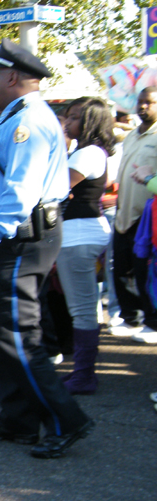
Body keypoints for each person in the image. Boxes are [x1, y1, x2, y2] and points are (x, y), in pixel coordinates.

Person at [0, 38, 94, 459]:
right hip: (16, 236)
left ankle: (65, 420)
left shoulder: (28, 122)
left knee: (19, 335)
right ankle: (17, 420)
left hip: (20, 236)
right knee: (5, 333)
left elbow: (20, 192)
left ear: (13, 77)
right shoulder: (19, 116)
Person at [56, 98, 116, 393]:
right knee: (81, 307)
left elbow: (56, 187)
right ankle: (81, 372)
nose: (67, 122)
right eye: (67, 116)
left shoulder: (89, 153)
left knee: (82, 309)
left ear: (92, 121)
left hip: (80, 237)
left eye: (75, 117)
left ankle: (84, 375)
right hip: (80, 235)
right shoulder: (86, 152)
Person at [110, 87, 157, 343]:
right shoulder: (131, 137)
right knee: (122, 270)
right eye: (140, 102)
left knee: (145, 272)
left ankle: (152, 320)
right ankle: (132, 318)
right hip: (123, 213)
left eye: (149, 103)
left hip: (147, 218)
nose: (142, 107)